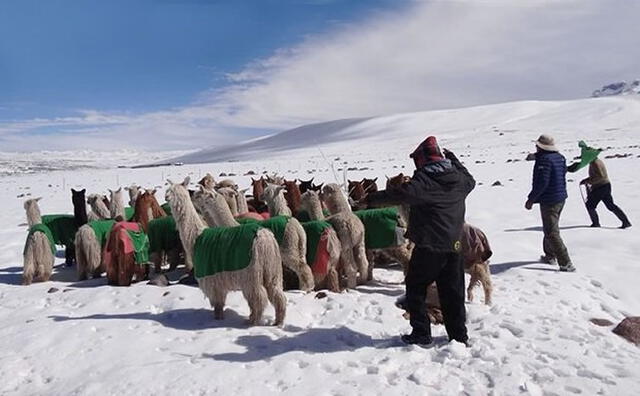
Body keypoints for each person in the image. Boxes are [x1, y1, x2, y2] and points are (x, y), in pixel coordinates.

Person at [366, 136, 475, 346]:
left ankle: (421, 333)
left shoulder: (424, 182)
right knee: (452, 292)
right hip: (454, 245)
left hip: (429, 246)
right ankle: (459, 336)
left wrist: (372, 199)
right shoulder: (460, 180)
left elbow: (400, 194)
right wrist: (454, 159)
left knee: (416, 288)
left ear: (422, 160)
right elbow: (470, 178)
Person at [525, 134, 576, 272]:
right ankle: (550, 255)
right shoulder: (560, 157)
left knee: (551, 232)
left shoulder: (544, 160)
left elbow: (542, 182)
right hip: (560, 197)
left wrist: (531, 199)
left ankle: (566, 263)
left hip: (550, 200)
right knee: (550, 228)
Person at [568, 141, 631, 229]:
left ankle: (595, 224)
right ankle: (625, 221)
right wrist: (588, 180)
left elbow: (600, 176)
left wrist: (588, 181)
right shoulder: (596, 161)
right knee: (610, 205)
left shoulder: (595, 163)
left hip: (600, 186)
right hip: (605, 185)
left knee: (590, 205)